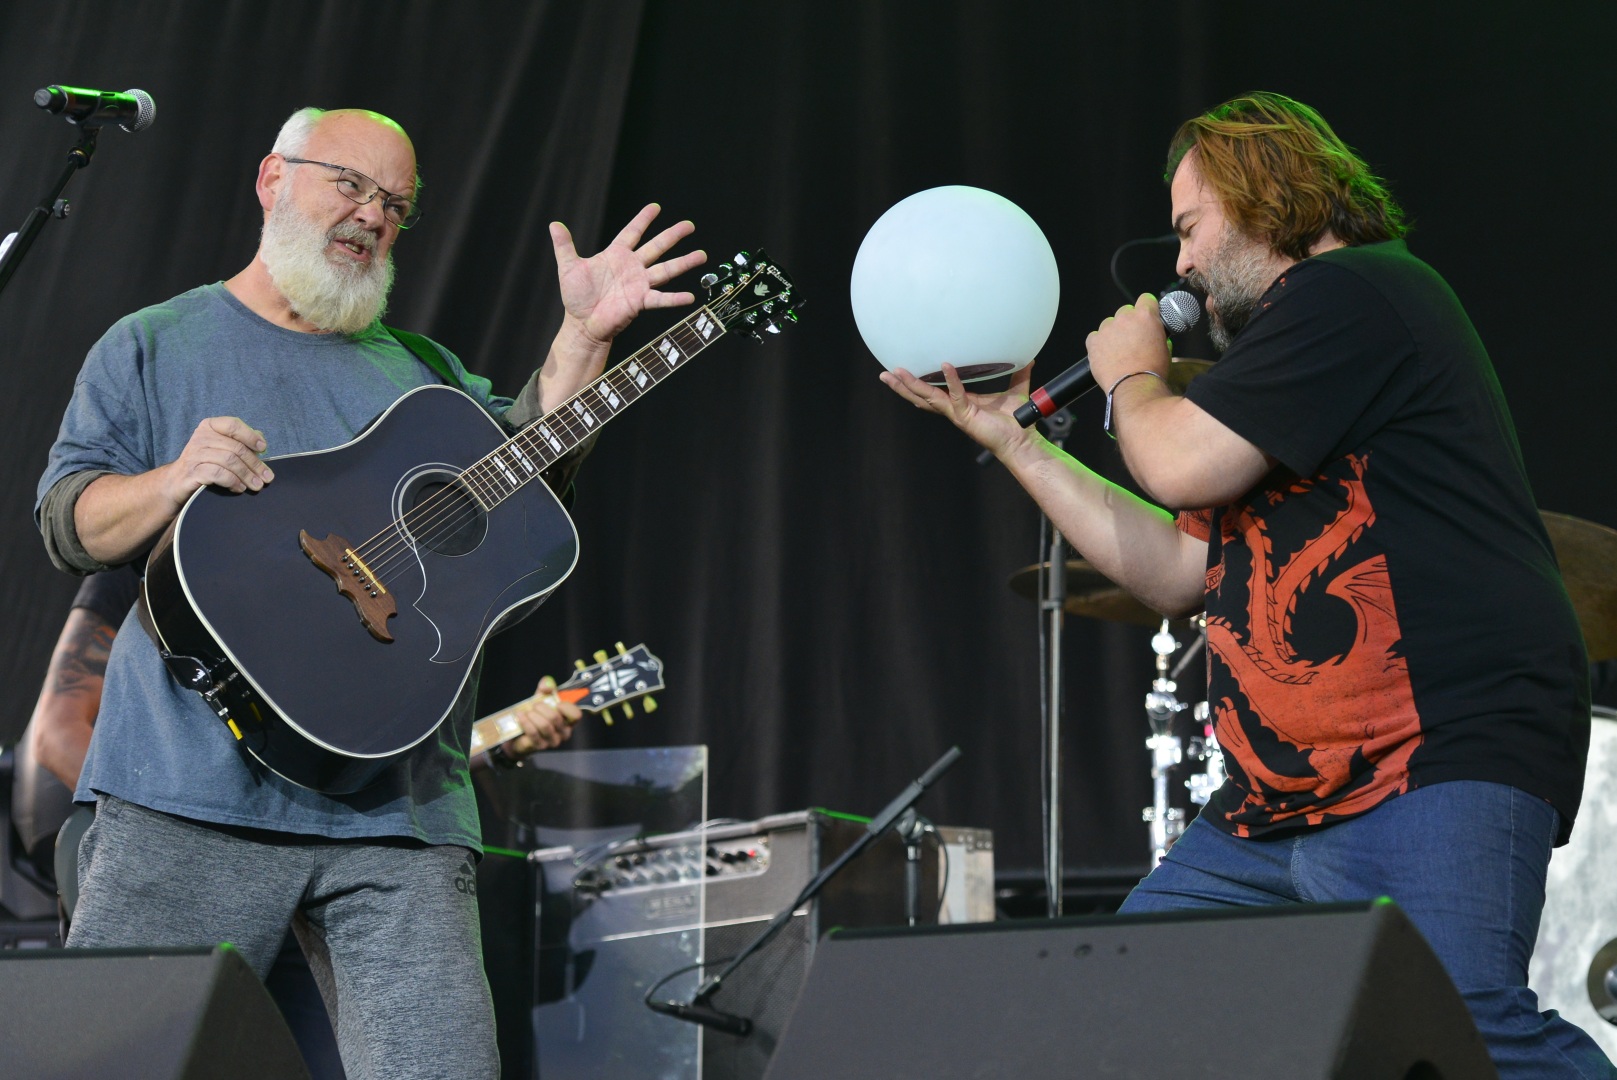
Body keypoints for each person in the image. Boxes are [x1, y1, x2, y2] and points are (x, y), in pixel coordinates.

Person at [883, 92, 1612, 1077]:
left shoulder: (1356, 292)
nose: (1178, 264)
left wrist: (1132, 377)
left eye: (1189, 228)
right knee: (1127, 990)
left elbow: (1177, 466)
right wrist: (1015, 438)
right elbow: (1180, 570)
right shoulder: (1267, 376)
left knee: (1466, 1032)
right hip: (1283, 800)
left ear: (1263, 196)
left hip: (1432, 757)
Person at [34, 106, 700, 1078]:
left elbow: (524, 479)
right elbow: (67, 522)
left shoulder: (424, 381)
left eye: (396, 203)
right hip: (188, 795)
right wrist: (172, 479)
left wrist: (583, 337)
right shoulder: (155, 344)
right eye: (350, 185)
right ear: (273, 179)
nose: (372, 216)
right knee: (114, 1062)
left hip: (400, 814)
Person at [15, 565, 583, 1077]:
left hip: (341, 860)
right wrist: (145, 798)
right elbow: (56, 731)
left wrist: (503, 743)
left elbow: (362, 759)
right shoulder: (160, 560)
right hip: (188, 848)